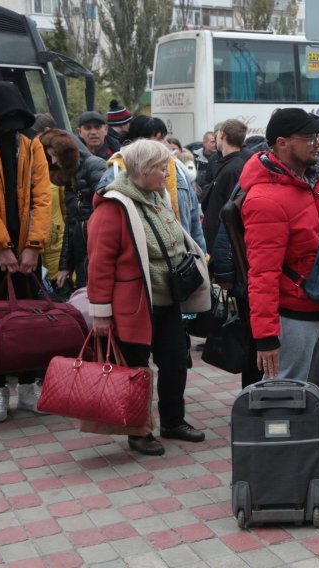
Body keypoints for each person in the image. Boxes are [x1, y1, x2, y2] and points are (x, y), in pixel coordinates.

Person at [239, 107, 319, 480]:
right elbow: (263, 275)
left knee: (313, 395)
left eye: (318, 137)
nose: (316, 143)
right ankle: (281, 473)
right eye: (309, 138)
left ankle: (312, 456)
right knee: (283, 399)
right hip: (293, 319)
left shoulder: (307, 183)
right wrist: (266, 337)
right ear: (282, 143)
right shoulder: (267, 199)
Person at [87, 139, 209, 456]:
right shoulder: (114, 205)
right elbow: (99, 264)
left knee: (174, 362)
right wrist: (100, 312)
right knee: (136, 371)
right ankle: (138, 432)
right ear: (141, 170)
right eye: (160, 167)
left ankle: (173, 421)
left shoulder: (159, 197)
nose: (166, 173)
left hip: (168, 301)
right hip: (133, 304)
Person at [0, 81, 52, 423]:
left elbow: (43, 197)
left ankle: (29, 386)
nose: (10, 127)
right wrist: (0, 246)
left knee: (29, 319)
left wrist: (32, 246)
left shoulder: (30, 146)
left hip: (27, 250)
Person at [99, 115, 206, 254]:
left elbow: (193, 217)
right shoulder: (116, 172)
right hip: (139, 260)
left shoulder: (177, 169)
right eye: (159, 139)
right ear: (140, 143)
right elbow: (106, 229)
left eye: (165, 138)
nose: (165, 144)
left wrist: (201, 256)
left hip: (182, 259)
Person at [39, 128, 106, 290]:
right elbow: (71, 224)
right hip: (83, 259)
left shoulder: (94, 166)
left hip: (99, 256)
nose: (53, 161)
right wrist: (65, 265)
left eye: (55, 155)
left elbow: (108, 214)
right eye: (50, 157)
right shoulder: (69, 179)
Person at [202, 118, 251, 255]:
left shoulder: (233, 168)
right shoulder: (229, 164)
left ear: (222, 135)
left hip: (223, 246)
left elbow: (231, 213)